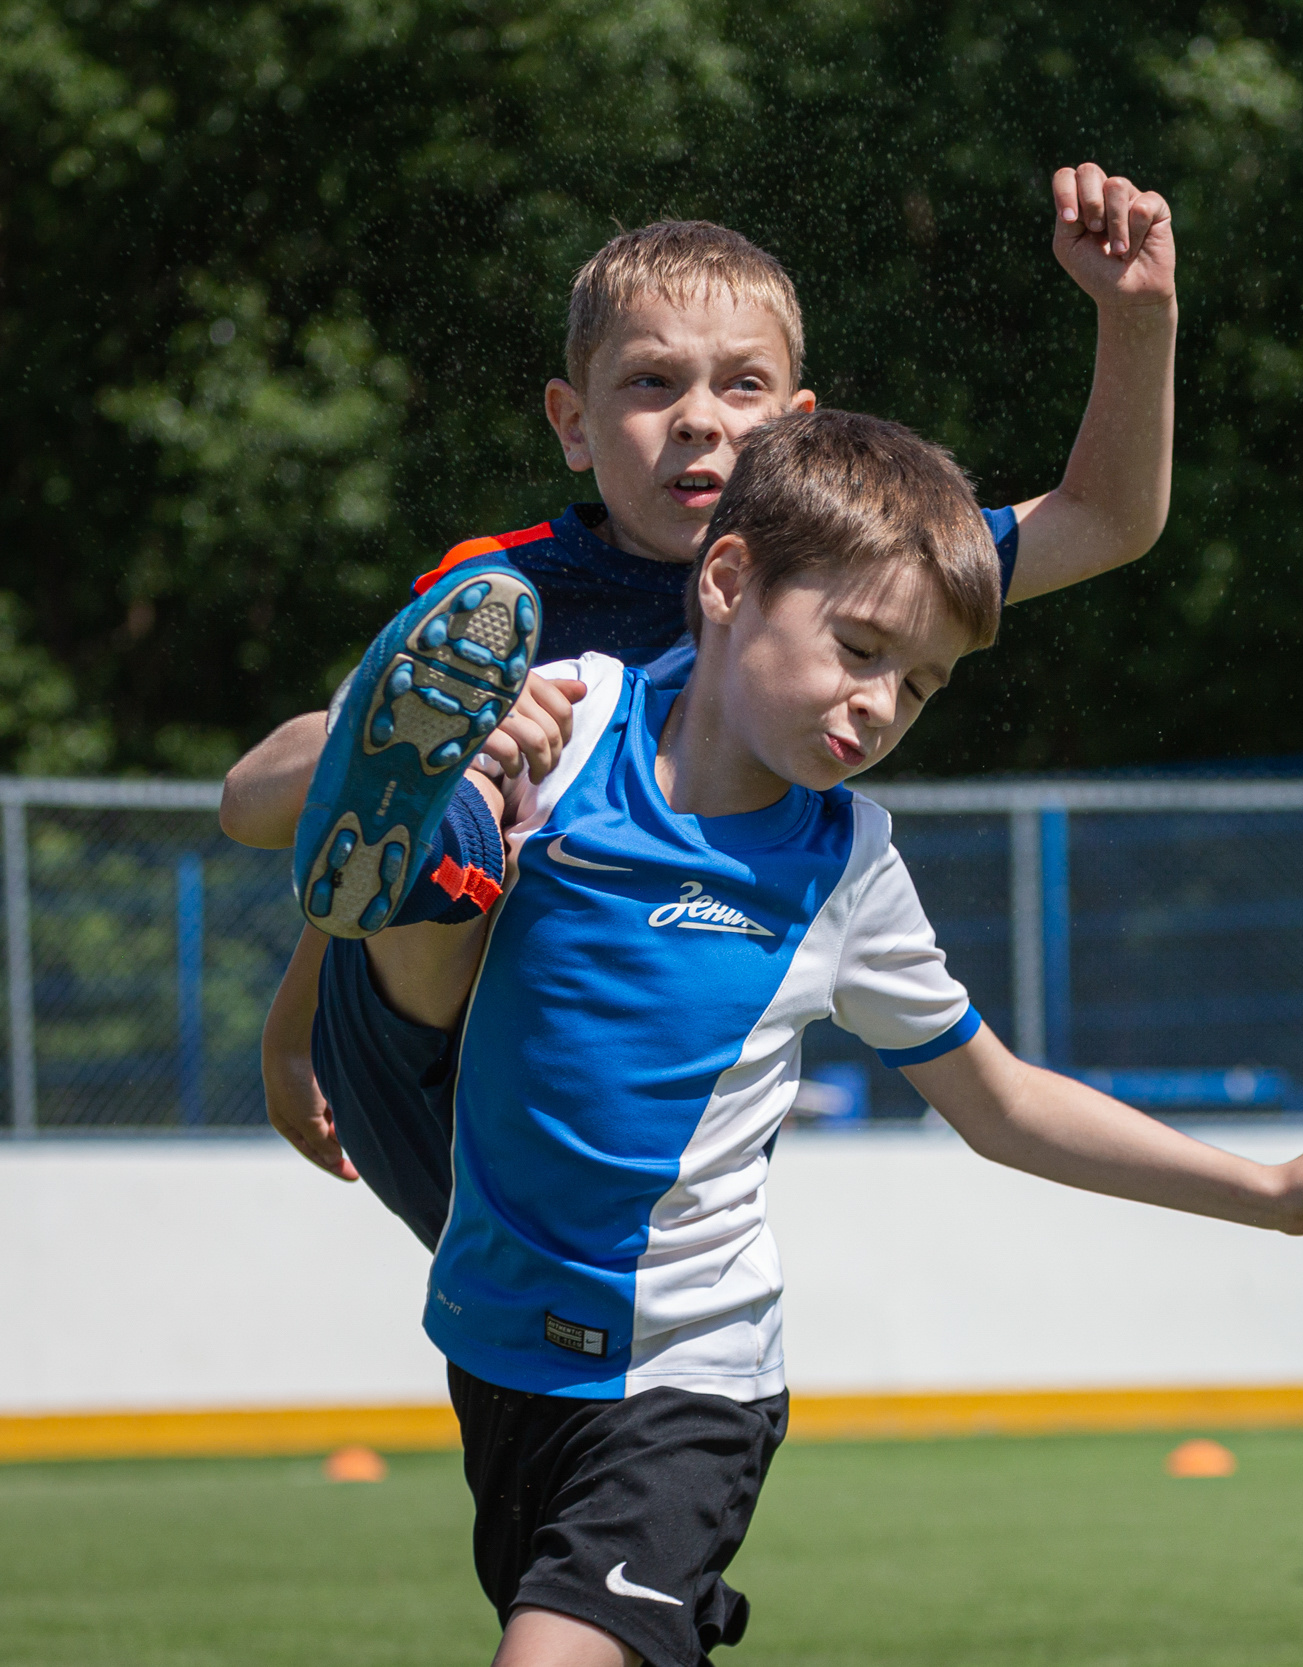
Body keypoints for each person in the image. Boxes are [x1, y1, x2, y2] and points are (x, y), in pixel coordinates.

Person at [237, 407, 1303, 1667]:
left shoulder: (847, 869)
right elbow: (268, 811)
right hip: (500, 1347)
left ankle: (434, 847)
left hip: (685, 1378)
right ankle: (440, 829)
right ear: (727, 581)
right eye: (859, 648)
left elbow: (1003, 1103)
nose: (882, 702)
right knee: (452, 837)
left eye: (920, 683)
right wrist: (467, 761)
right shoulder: (566, 727)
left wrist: (1266, 1189)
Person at [224, 168, 1177, 1247]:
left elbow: (1104, 520)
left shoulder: (855, 570)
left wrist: (1136, 314)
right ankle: (465, 768)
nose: (698, 422)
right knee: (456, 770)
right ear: (572, 423)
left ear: (795, 428)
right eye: (650, 385)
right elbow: (297, 805)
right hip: (433, 1073)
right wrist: (294, 1029)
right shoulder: (500, 594)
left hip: (623, 1137)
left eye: (741, 387)